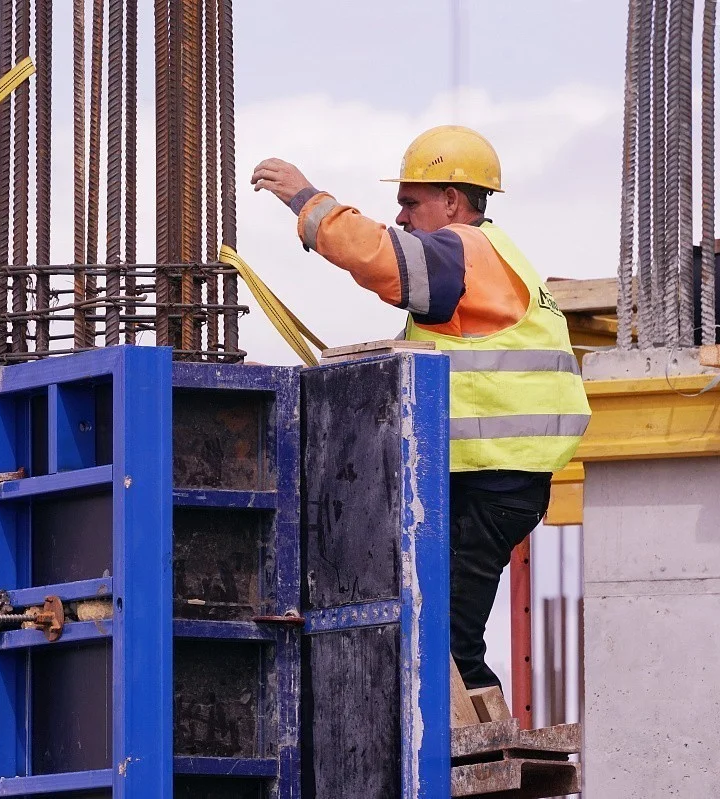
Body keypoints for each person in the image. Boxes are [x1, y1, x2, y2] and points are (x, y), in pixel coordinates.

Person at [251, 125, 590, 690]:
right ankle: (473, 731)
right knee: (441, 637)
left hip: (491, 485)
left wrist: (307, 201)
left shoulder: (465, 252)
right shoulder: (487, 265)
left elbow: (378, 256)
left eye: (411, 203)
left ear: (452, 201)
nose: (401, 216)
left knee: (445, 646)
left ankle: (476, 738)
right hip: (494, 483)